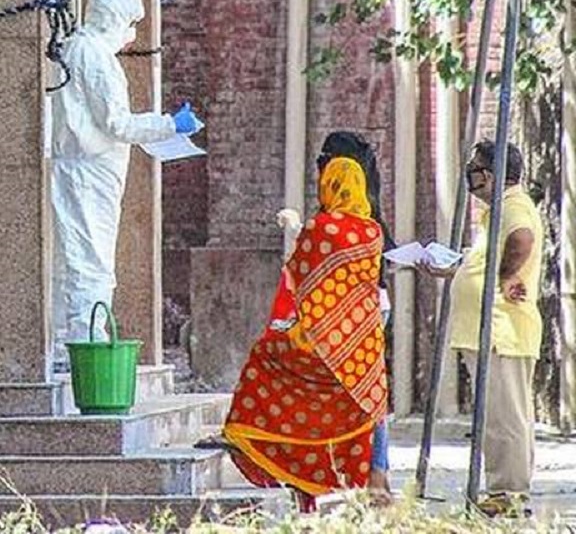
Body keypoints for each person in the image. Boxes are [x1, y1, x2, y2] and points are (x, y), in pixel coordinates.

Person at [49, 0, 199, 371]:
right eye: (131, 24)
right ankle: (86, 347)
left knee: (78, 259)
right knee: (92, 262)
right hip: (89, 172)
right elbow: (116, 123)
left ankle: (70, 344)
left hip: (85, 169)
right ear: (115, 18)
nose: (132, 35)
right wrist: (169, 125)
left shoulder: (78, 48)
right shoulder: (95, 56)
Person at [222, 158, 387, 511]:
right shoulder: (374, 232)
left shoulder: (321, 227)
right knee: (362, 408)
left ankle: (251, 440)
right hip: (362, 351)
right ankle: (367, 482)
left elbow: (298, 275)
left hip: (317, 346)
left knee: (263, 358)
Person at [417, 140, 543, 516]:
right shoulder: (498, 211)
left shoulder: (513, 207)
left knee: (505, 417)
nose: (469, 177)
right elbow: (485, 260)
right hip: (489, 331)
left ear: (487, 175)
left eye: (473, 169)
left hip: (502, 330)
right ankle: (503, 490)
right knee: (496, 415)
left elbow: (522, 238)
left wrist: (505, 277)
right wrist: (455, 270)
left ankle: (509, 493)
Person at [316, 131, 394, 502]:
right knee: (370, 391)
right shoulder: (371, 222)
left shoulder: (326, 226)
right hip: (372, 308)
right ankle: (377, 474)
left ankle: (342, 472)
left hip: (341, 316)